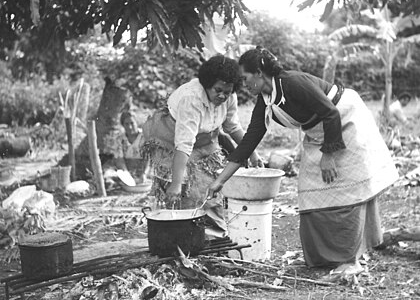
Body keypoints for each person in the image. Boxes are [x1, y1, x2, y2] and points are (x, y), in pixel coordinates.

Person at [207, 46, 399, 274]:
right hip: (320, 131)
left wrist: (329, 155)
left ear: (259, 72)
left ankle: (350, 260)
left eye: (246, 77)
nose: (244, 84)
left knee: (348, 190)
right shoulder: (265, 99)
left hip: (345, 121)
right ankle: (325, 258)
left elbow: (331, 113)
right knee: (311, 190)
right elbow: (249, 141)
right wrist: (220, 181)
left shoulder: (292, 82)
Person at [142, 54, 263, 231]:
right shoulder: (191, 98)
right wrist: (176, 183)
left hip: (206, 138)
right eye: (218, 90)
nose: (222, 95)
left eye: (227, 92)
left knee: (211, 186)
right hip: (171, 137)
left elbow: (233, 127)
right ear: (207, 85)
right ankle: (184, 234)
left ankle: (212, 234)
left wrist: (253, 154)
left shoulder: (230, 97)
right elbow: (184, 144)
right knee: (185, 189)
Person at [103, 110, 150, 189]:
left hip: (142, 170)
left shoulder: (145, 137)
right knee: (108, 174)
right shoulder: (119, 139)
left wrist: (144, 174)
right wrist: (127, 176)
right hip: (126, 170)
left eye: (132, 123)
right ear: (123, 125)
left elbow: (149, 158)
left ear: (136, 123)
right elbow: (119, 160)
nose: (130, 127)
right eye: (126, 124)